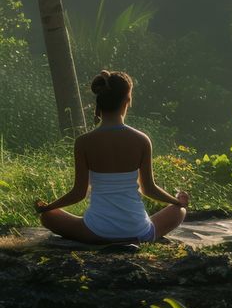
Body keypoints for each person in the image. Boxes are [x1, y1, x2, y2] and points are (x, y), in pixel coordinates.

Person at [34, 70, 189, 244]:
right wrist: (176, 201)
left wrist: (49, 207)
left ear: (100, 101)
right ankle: (147, 226)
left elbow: (78, 193)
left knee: (47, 217)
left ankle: (99, 235)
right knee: (179, 211)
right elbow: (149, 189)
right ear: (127, 101)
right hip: (138, 232)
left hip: (96, 233)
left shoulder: (83, 142)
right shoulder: (141, 140)